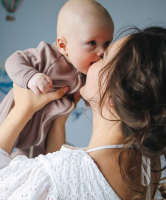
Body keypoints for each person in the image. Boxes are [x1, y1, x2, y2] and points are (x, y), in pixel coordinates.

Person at [0, 26, 166, 200]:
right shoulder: (147, 168)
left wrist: (21, 111)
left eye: (104, 56)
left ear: (114, 95)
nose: (92, 59)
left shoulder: (58, 175)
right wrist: (59, 121)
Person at [0, 0, 114, 158]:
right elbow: (13, 60)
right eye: (92, 43)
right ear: (63, 45)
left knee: (35, 164)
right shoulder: (48, 56)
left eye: (107, 43)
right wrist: (31, 77)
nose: (102, 52)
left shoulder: (85, 71)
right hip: (10, 121)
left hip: (41, 132)